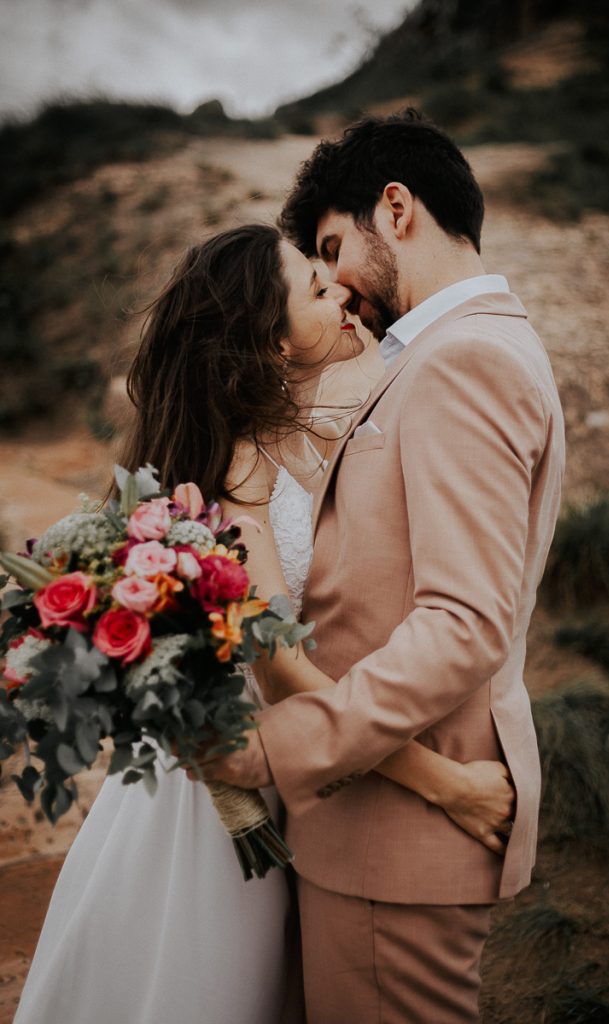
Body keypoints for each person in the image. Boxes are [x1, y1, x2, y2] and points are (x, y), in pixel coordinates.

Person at [14, 223, 515, 1024]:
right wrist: (450, 786)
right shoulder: (239, 468)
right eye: (316, 291)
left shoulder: (265, 439)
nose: (341, 291)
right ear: (272, 347)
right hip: (227, 806)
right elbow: (278, 670)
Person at [198, 112, 566, 1023]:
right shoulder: (443, 352)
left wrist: (273, 750)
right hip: (375, 820)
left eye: (333, 249)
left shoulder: (461, 359)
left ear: (394, 210)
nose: (338, 289)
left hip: (398, 841)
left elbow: (463, 624)